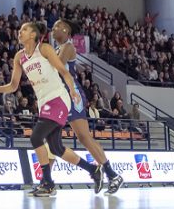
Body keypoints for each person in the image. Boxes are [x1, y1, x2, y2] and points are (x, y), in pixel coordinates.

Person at [0, 22, 102, 197]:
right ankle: (94, 170)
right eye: (19, 30)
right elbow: (13, 85)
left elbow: (64, 72)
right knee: (56, 148)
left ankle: (48, 183)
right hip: (44, 103)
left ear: (33, 35)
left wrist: (72, 90)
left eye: (24, 30)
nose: (20, 32)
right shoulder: (19, 57)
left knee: (36, 137)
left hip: (58, 98)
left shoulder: (45, 49)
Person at [49, 19, 122, 194]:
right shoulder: (57, 49)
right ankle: (47, 181)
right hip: (59, 97)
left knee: (84, 137)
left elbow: (56, 68)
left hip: (72, 94)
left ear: (66, 31)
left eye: (57, 26)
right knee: (50, 139)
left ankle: (112, 175)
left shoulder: (68, 47)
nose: (54, 28)